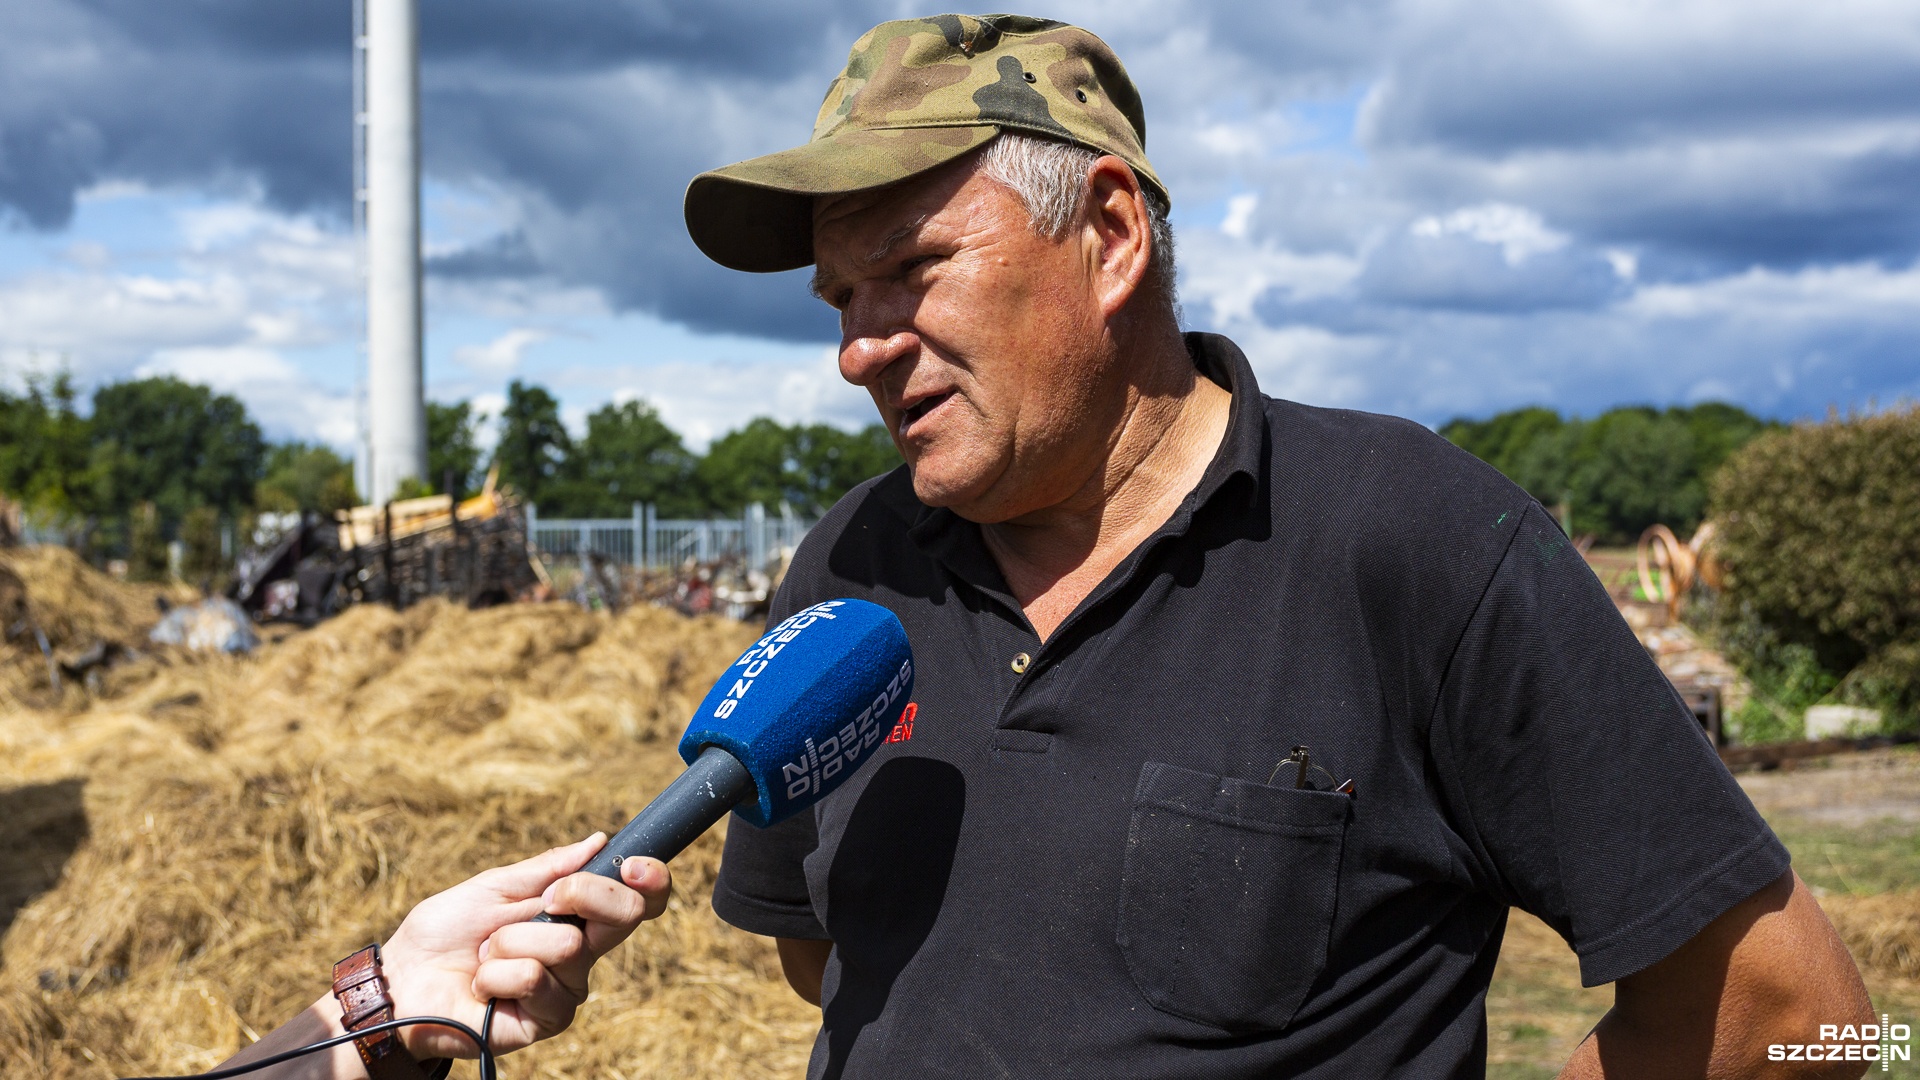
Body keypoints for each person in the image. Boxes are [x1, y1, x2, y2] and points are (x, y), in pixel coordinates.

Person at [675, 13, 1874, 1080]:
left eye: (910, 268)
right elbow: (829, 959)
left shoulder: (1415, 538)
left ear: (1109, 233)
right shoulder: (849, 568)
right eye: (840, 297)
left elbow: (1798, 1016)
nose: (858, 349)